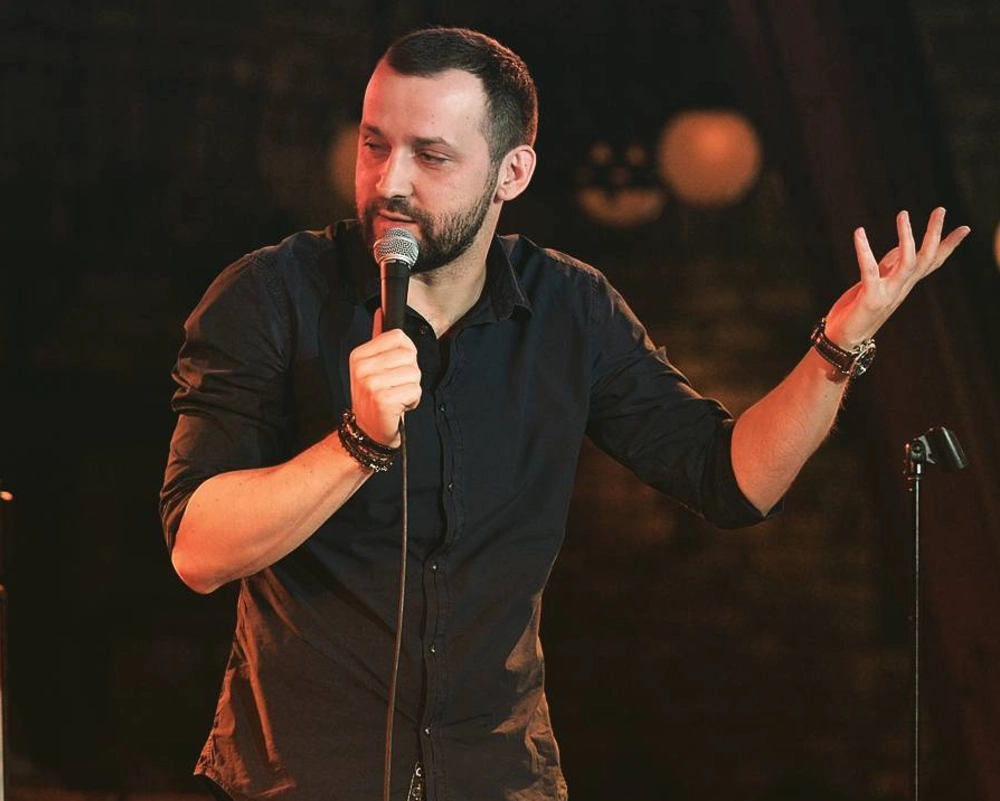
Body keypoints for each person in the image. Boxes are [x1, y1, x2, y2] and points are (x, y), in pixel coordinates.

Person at [159, 26, 970, 801]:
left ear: (511, 173)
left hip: (497, 776)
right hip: (300, 776)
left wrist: (837, 346)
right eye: (376, 145)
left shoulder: (569, 308)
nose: (390, 180)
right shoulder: (270, 294)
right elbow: (198, 548)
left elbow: (730, 480)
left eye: (431, 155)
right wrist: (357, 444)